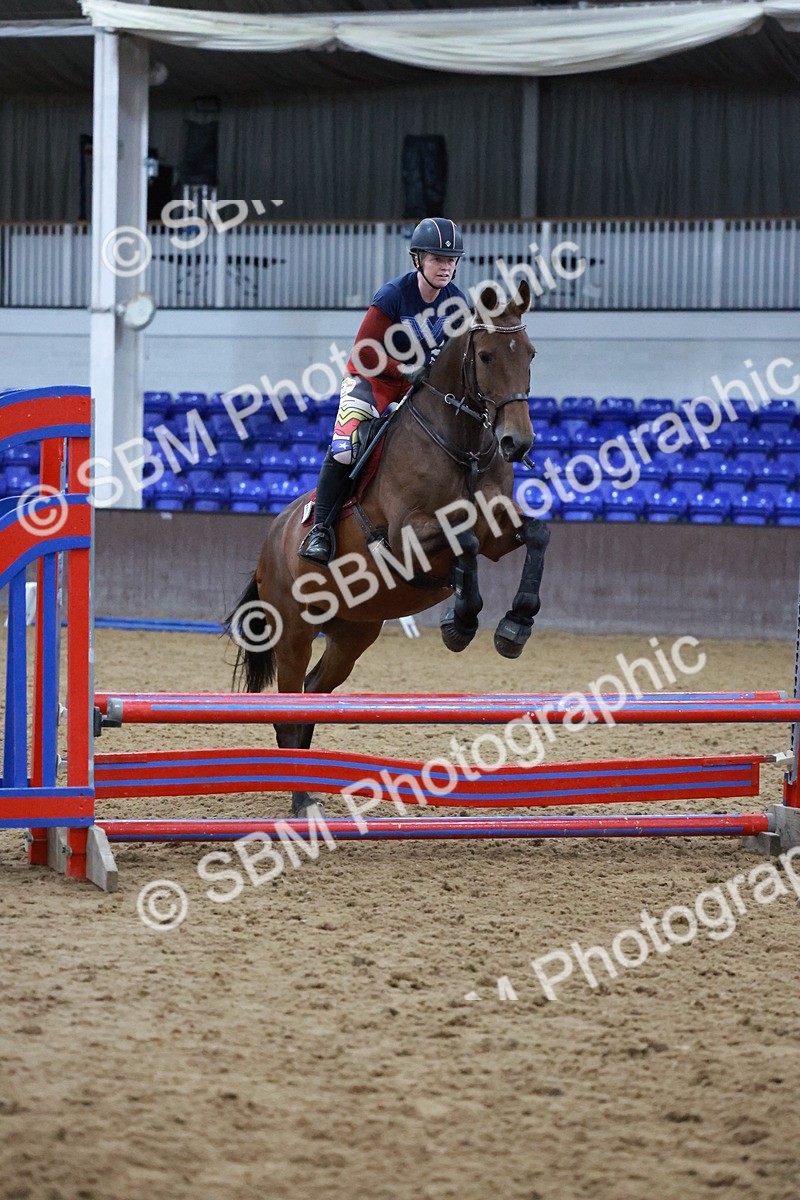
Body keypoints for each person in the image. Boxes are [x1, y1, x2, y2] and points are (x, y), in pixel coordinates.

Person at [298, 216, 467, 566]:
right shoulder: (394, 295)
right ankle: (320, 530)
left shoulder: (457, 303)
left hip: (418, 388)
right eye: (437, 259)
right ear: (418, 259)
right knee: (345, 450)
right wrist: (405, 368)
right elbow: (363, 351)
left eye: (450, 260)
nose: (445, 267)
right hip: (371, 381)